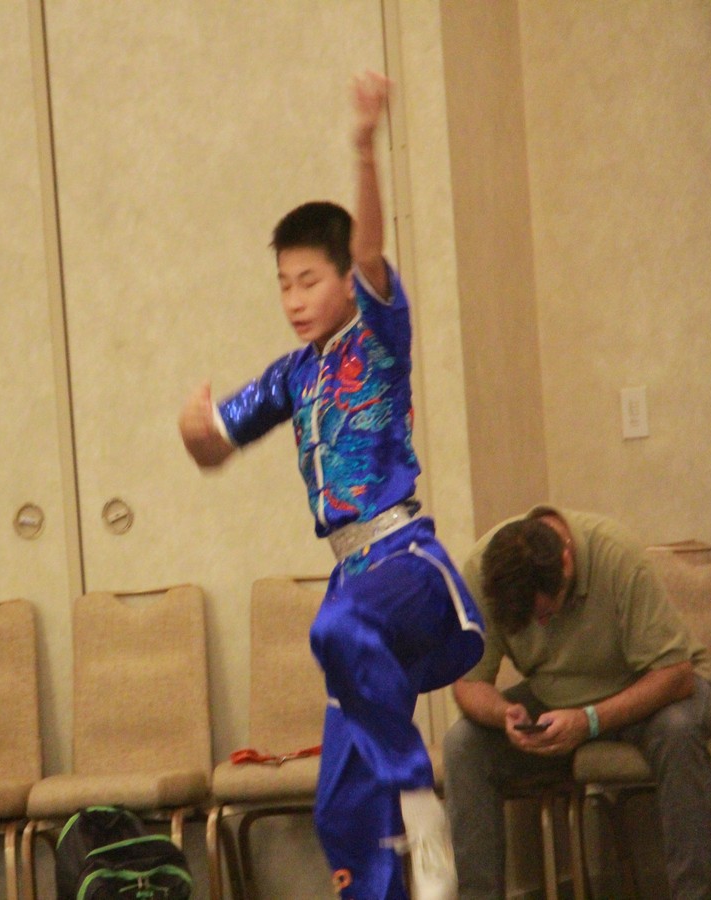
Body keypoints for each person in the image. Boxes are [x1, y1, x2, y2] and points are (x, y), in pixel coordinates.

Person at [178, 71, 484, 900]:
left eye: (309, 279)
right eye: (283, 283)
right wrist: (192, 426)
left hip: (407, 564)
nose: (294, 299)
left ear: (347, 279)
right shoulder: (293, 374)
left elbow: (373, 248)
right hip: (353, 575)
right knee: (341, 805)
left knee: (336, 624)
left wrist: (362, 147)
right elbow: (214, 446)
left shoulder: (378, 336)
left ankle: (420, 802)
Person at [444, 505, 711, 899]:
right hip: (556, 702)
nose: (540, 626)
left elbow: (676, 676)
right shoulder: (482, 572)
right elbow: (469, 685)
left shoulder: (617, 555)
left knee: (678, 730)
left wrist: (589, 720)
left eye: (544, 613)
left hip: (650, 691)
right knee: (463, 744)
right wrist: (504, 714)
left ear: (567, 561)